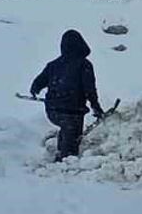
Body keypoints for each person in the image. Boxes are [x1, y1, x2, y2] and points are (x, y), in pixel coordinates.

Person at [30, 30, 106, 162]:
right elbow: (90, 89)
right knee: (71, 142)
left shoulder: (53, 65)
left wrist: (34, 90)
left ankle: (61, 153)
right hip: (73, 111)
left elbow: (38, 83)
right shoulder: (84, 64)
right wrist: (96, 107)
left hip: (52, 111)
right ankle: (65, 162)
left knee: (66, 129)